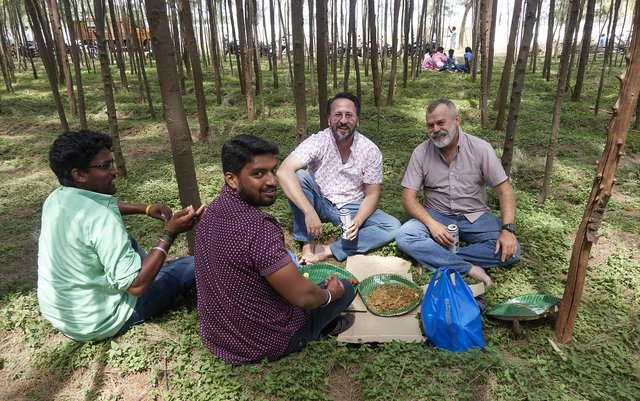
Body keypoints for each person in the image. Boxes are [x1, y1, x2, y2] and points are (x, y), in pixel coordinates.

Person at [195, 135, 356, 365]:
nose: (271, 181)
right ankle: (318, 328)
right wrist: (332, 294)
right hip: (264, 343)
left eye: (272, 170)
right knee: (346, 288)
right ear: (231, 179)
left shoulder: (213, 211)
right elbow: (304, 297)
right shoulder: (258, 227)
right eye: (258, 174)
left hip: (218, 337)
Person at [38, 131, 204, 341]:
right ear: (79, 174)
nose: (114, 170)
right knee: (194, 264)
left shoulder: (56, 198)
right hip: (102, 321)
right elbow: (136, 287)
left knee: (131, 246)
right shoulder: (101, 220)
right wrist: (170, 233)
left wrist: (145, 208)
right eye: (105, 166)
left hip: (66, 317)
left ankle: (154, 268)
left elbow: (102, 206)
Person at [395, 99, 521, 287]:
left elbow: (504, 191)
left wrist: (508, 230)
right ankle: (468, 268)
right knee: (405, 235)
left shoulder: (480, 148)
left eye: (441, 123)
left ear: (456, 120)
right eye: (430, 125)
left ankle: (434, 257)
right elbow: (408, 197)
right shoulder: (421, 153)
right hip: (437, 215)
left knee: (513, 249)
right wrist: (432, 224)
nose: (435, 130)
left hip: (475, 216)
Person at [277, 92, 401, 264]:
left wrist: (357, 221)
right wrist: (309, 211)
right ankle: (307, 241)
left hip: (351, 207)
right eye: (338, 115)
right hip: (320, 201)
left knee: (392, 226)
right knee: (300, 176)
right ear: (329, 119)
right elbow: (283, 171)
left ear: (357, 119)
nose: (343, 120)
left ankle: (329, 250)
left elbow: (372, 194)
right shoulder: (318, 141)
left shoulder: (369, 150)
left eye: (349, 115)